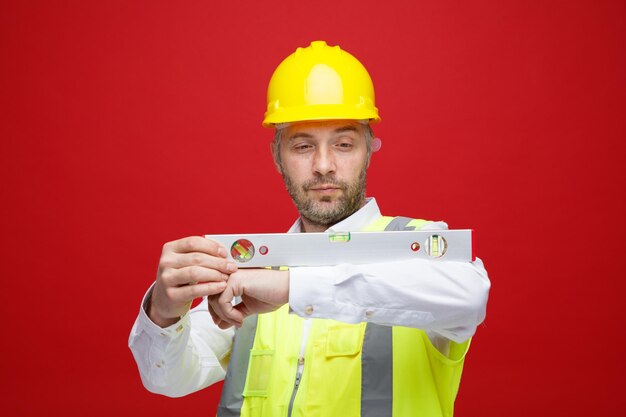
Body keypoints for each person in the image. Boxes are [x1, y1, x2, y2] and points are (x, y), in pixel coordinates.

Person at [129, 40, 491, 417]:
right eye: (303, 146)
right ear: (277, 157)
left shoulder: (419, 244)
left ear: (368, 149)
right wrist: (164, 313)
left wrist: (292, 288)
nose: (323, 165)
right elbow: (167, 379)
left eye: (344, 144)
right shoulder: (252, 271)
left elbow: (470, 299)